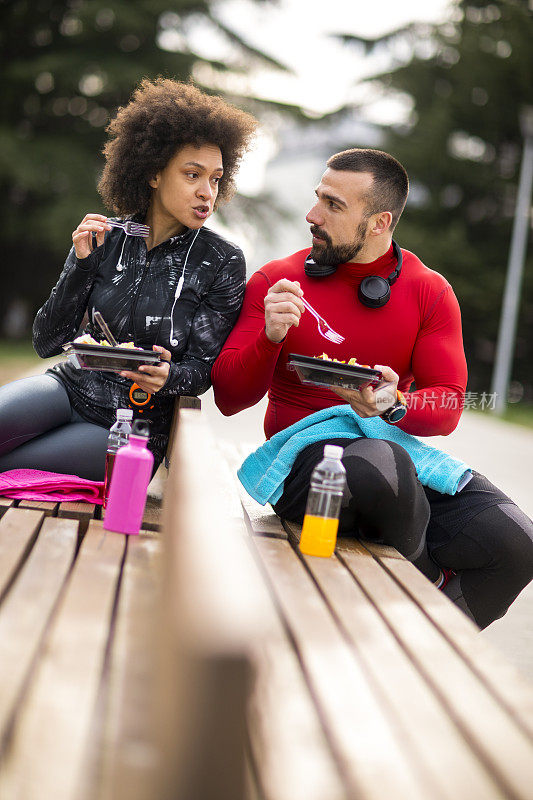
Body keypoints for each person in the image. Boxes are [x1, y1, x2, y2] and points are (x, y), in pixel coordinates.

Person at [211, 148, 533, 630]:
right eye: (318, 198)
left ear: (380, 221)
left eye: (334, 206)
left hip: (390, 456)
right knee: (383, 464)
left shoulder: (429, 292)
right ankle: (407, 619)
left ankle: (426, 650)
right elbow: (229, 397)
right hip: (305, 467)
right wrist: (269, 338)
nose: (313, 215)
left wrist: (393, 403)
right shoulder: (278, 281)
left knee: (515, 542)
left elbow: (447, 404)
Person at [0, 78, 257, 480]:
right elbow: (47, 341)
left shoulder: (221, 261)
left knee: (7, 465)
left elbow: (202, 371)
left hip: (130, 427)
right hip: (66, 388)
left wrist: (168, 375)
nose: (207, 192)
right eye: (193, 175)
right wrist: (82, 264)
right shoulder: (105, 237)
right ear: (154, 174)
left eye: (216, 179)